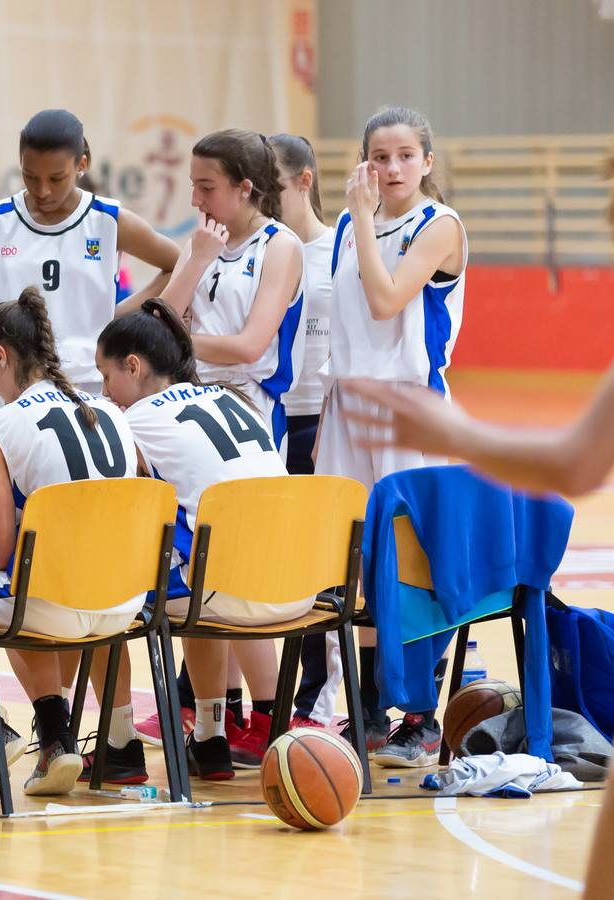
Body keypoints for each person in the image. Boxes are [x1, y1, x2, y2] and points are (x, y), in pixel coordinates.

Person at [339, 92, 614, 900]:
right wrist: (459, 439)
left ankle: (408, 709)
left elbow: (576, 464)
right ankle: (389, 706)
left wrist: (455, 436)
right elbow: (579, 461)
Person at [0, 287, 142, 801]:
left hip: (53, 604)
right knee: (23, 590)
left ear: (0, 356)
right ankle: (56, 741)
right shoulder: (111, 411)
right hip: (125, 608)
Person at [0, 109, 180, 572]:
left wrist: (114, 319)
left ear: (82, 162)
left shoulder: (110, 220)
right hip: (5, 408)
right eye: (30, 176)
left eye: (56, 177)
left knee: (82, 563)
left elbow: (175, 263)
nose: (43, 190)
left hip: (86, 411)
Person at [97, 302, 313, 780]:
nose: (105, 392)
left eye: (107, 378)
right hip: (301, 589)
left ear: (133, 367)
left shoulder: (132, 421)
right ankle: (210, 740)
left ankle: (119, 745)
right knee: (198, 567)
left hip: (228, 592)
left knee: (96, 590)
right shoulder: (234, 398)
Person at [323, 107, 468, 767]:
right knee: (348, 563)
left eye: (405, 155)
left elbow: (386, 303)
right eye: (379, 157)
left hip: (409, 411)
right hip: (346, 409)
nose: (391, 169)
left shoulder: (439, 227)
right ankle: (365, 708)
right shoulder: (347, 232)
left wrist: (355, 218)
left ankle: (422, 715)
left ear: (428, 161)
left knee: (409, 564)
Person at [157, 129, 304, 447]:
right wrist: (198, 261)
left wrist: (177, 342)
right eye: (193, 186)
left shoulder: (279, 245)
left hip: (249, 406)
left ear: (244, 188)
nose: (195, 200)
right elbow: (156, 328)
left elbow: (249, 348)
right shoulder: (200, 242)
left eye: (206, 188)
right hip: (189, 397)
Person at [271, 133, 341, 733]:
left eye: (273, 183)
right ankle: (218, 702)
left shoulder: (338, 248)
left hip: (318, 415)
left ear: (305, 179)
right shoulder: (263, 248)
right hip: (263, 416)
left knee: (318, 564)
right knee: (264, 558)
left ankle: (314, 698)